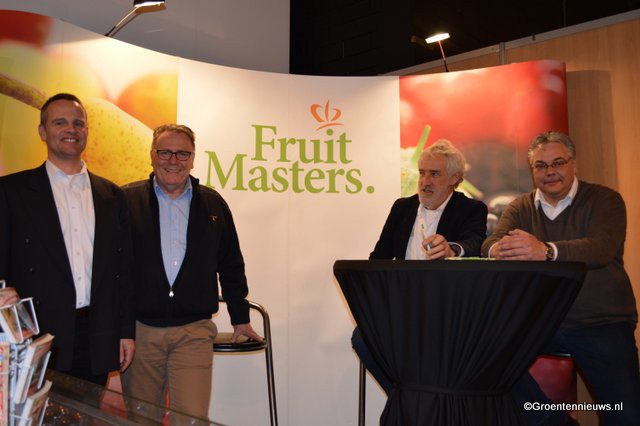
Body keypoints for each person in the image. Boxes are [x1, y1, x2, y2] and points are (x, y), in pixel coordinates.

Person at [482, 130, 640, 425]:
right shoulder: (520, 207)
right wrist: (499, 250)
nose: (550, 171)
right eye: (541, 166)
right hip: (539, 322)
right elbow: (490, 244)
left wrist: (544, 251)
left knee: (623, 413)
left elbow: (600, 249)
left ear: (573, 164)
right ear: (532, 170)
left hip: (600, 322)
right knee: (485, 355)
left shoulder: (605, 200)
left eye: (558, 163)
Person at [120, 124, 261, 419]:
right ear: (152, 155)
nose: (174, 160)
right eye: (165, 152)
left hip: (194, 332)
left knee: (193, 418)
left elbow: (231, 263)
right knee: (141, 420)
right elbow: (112, 270)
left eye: (182, 153)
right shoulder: (125, 201)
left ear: (193, 158)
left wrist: (240, 316)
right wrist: (119, 330)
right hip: (140, 332)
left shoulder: (213, 204)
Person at [0, 93, 136, 385]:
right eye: (59, 122)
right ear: (42, 131)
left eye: (78, 123)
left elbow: (123, 272)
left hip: (96, 334)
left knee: (87, 409)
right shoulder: (11, 191)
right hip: (34, 332)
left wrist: (125, 332)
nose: (70, 129)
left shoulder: (112, 195)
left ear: (87, 131)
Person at [352, 139, 488, 394]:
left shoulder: (471, 209)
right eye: (422, 173)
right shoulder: (402, 207)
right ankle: (403, 397)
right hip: (404, 305)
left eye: (434, 174)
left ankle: (422, 402)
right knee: (362, 338)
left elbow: (474, 243)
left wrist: (451, 249)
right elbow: (379, 257)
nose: (425, 181)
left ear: (454, 179)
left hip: (446, 308)